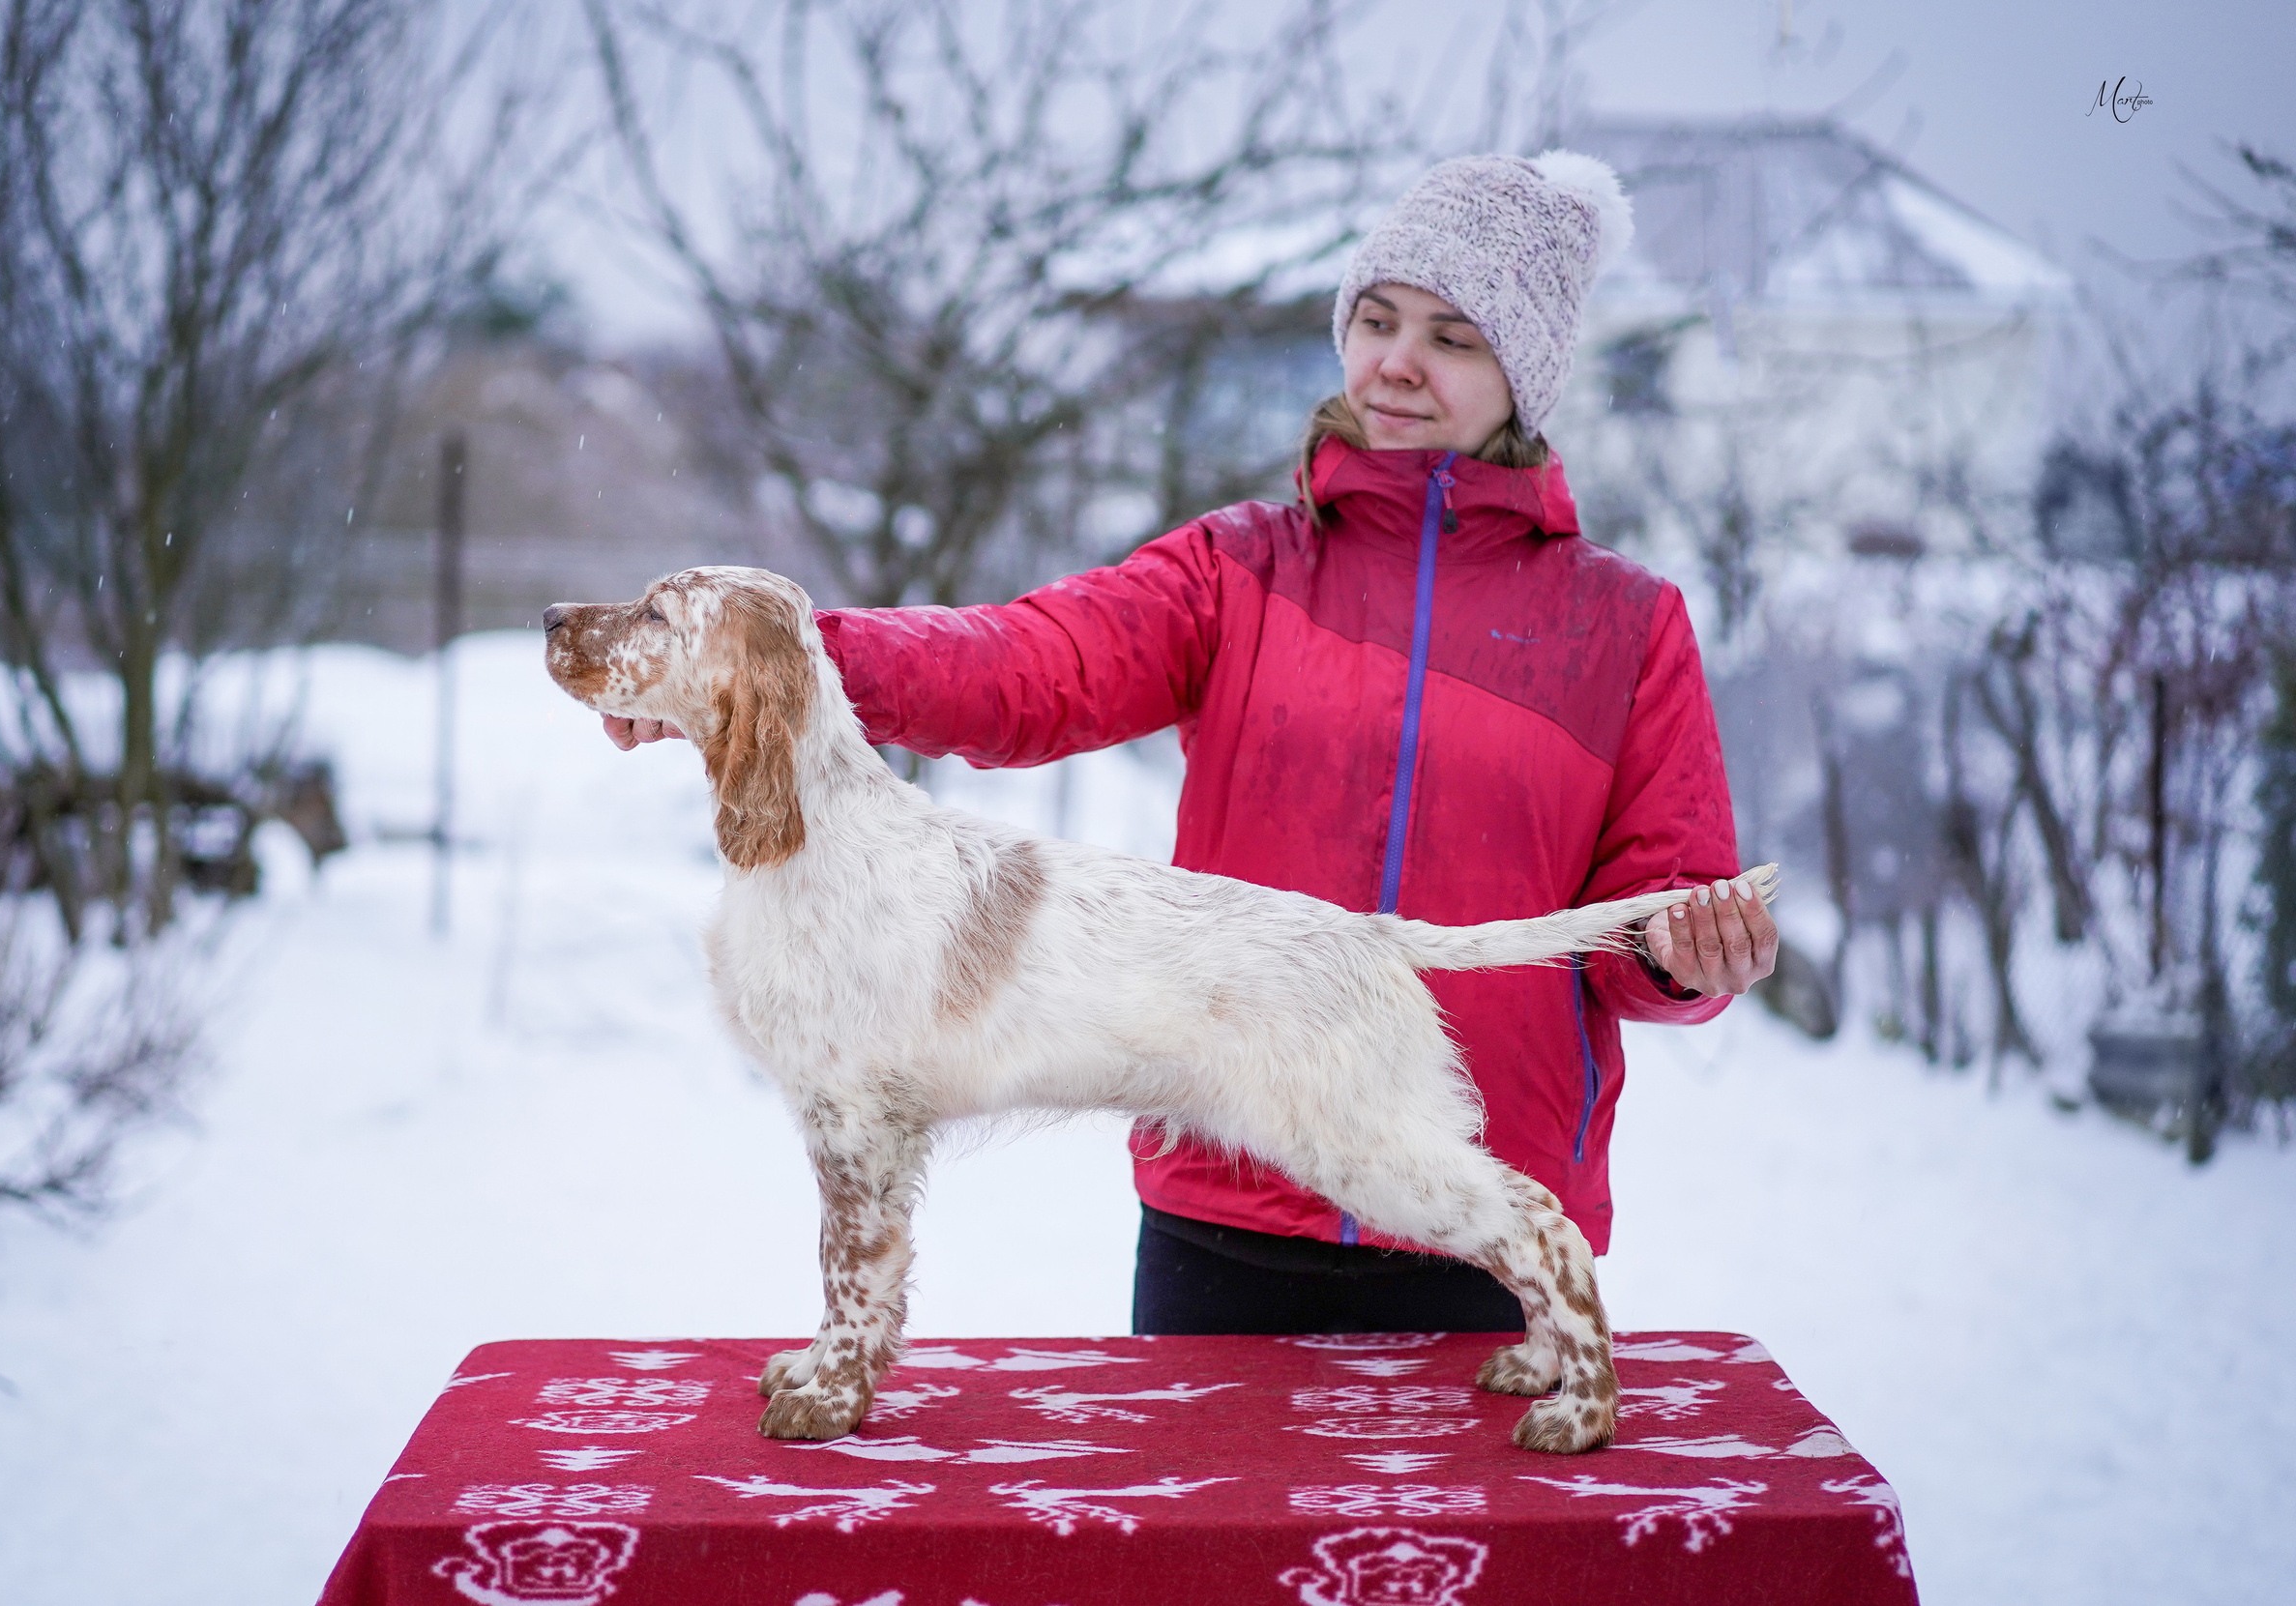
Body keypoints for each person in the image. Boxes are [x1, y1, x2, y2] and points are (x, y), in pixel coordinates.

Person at [605, 151, 1779, 1336]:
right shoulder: (1241, 567)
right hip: (1229, 1214)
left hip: (1476, 1221)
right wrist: (783, 662)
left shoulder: (1624, 623)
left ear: (1524, 371)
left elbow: (1649, 913)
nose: (1397, 363)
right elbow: (1027, 665)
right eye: (1376, 319)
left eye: (1452, 337)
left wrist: (1688, 949)